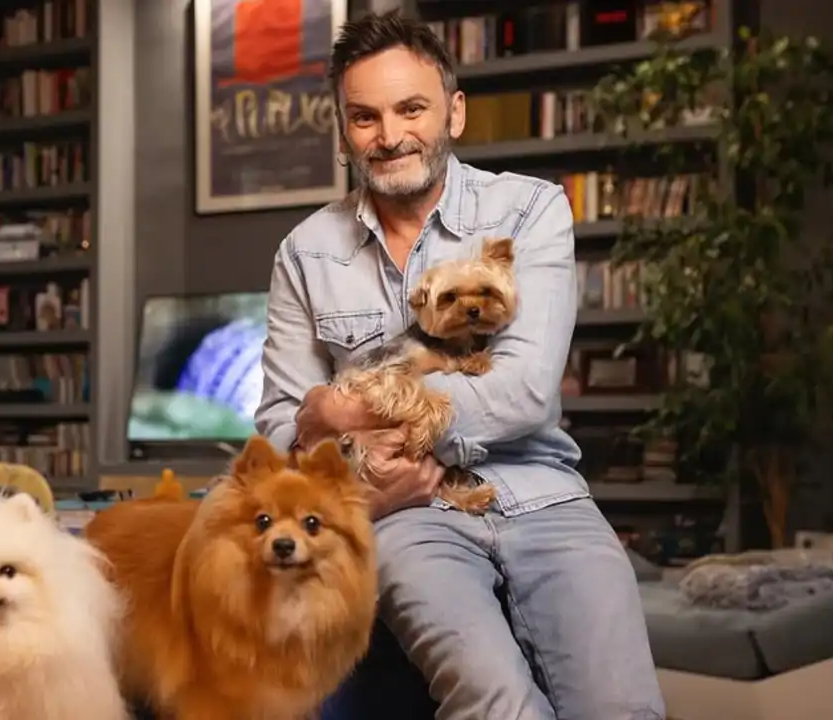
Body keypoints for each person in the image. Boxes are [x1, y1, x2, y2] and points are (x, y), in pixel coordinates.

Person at [253, 11, 666, 720]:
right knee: (493, 701)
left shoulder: (529, 211)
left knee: (622, 707)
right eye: (364, 117)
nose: (389, 136)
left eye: (411, 108)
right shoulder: (305, 252)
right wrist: (339, 446)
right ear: (344, 128)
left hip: (541, 492)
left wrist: (345, 411)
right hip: (406, 509)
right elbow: (279, 432)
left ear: (455, 109)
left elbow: (526, 394)